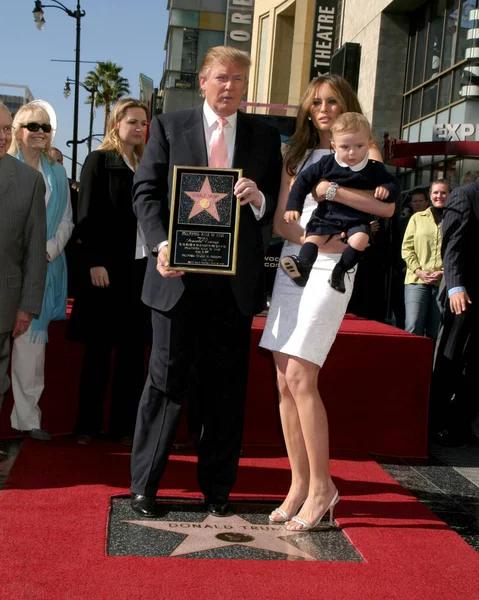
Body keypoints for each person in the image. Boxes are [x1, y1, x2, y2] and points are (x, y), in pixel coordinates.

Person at [129, 46, 282, 518]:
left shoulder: (263, 137)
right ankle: (144, 487)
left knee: (225, 391)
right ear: (202, 81)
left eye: (238, 78)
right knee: (165, 383)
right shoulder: (170, 128)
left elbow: (273, 205)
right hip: (175, 281)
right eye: (221, 77)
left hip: (232, 289)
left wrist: (258, 199)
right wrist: (160, 245)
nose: (229, 86)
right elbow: (147, 191)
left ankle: (217, 490)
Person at [259, 74, 395, 531]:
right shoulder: (295, 156)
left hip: (334, 270)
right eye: (316, 101)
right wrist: (312, 238)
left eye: (333, 101)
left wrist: (333, 195)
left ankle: (323, 488)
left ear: (347, 105)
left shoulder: (364, 150)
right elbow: (280, 222)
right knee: (283, 380)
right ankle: (299, 485)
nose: (323, 108)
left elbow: (385, 210)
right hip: (295, 263)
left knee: (302, 374)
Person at [67, 98, 150, 446]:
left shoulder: (147, 164)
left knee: (133, 353)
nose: (139, 128)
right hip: (106, 269)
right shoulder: (99, 160)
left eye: (144, 122)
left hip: (141, 268)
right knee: (99, 352)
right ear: (116, 123)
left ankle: (124, 428)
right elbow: (86, 215)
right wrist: (94, 261)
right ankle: (87, 426)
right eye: (132, 121)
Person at [7, 102, 73, 440]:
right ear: (17, 129)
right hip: (7, 267)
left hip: (42, 270)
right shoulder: (6, 167)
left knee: (32, 350)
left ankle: (27, 419)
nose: (39, 132)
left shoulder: (57, 172)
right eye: (33, 125)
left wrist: (47, 250)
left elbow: (65, 220)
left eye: (45, 127)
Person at [280, 112, 399, 291]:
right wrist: (293, 206)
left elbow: (393, 184)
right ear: (334, 146)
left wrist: (387, 190)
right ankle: (303, 265)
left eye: (359, 146)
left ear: (368, 145)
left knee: (360, 240)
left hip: (356, 219)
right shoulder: (326, 163)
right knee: (313, 238)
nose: (352, 152)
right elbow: (303, 181)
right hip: (326, 216)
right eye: (345, 147)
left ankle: (340, 271)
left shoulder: (374, 168)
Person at [0, 102, 47, 421]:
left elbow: (34, 250)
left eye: (5, 129)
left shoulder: (29, 181)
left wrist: (27, 306)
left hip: (4, 302)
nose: (2, 136)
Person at [429, 174, 479, 446]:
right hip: (464, 292)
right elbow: (452, 246)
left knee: (476, 365)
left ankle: (461, 424)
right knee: (451, 356)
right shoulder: (465, 195)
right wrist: (455, 286)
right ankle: (434, 422)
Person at [401, 179, 449, 341]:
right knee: (413, 325)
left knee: (437, 330)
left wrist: (442, 271)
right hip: (416, 280)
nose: (439, 196)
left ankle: (432, 366)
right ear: (430, 196)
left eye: (443, 192)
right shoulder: (417, 218)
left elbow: (456, 249)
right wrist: (419, 271)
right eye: (436, 192)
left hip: (442, 282)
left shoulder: (453, 218)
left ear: (449, 195)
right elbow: (407, 249)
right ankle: (410, 365)